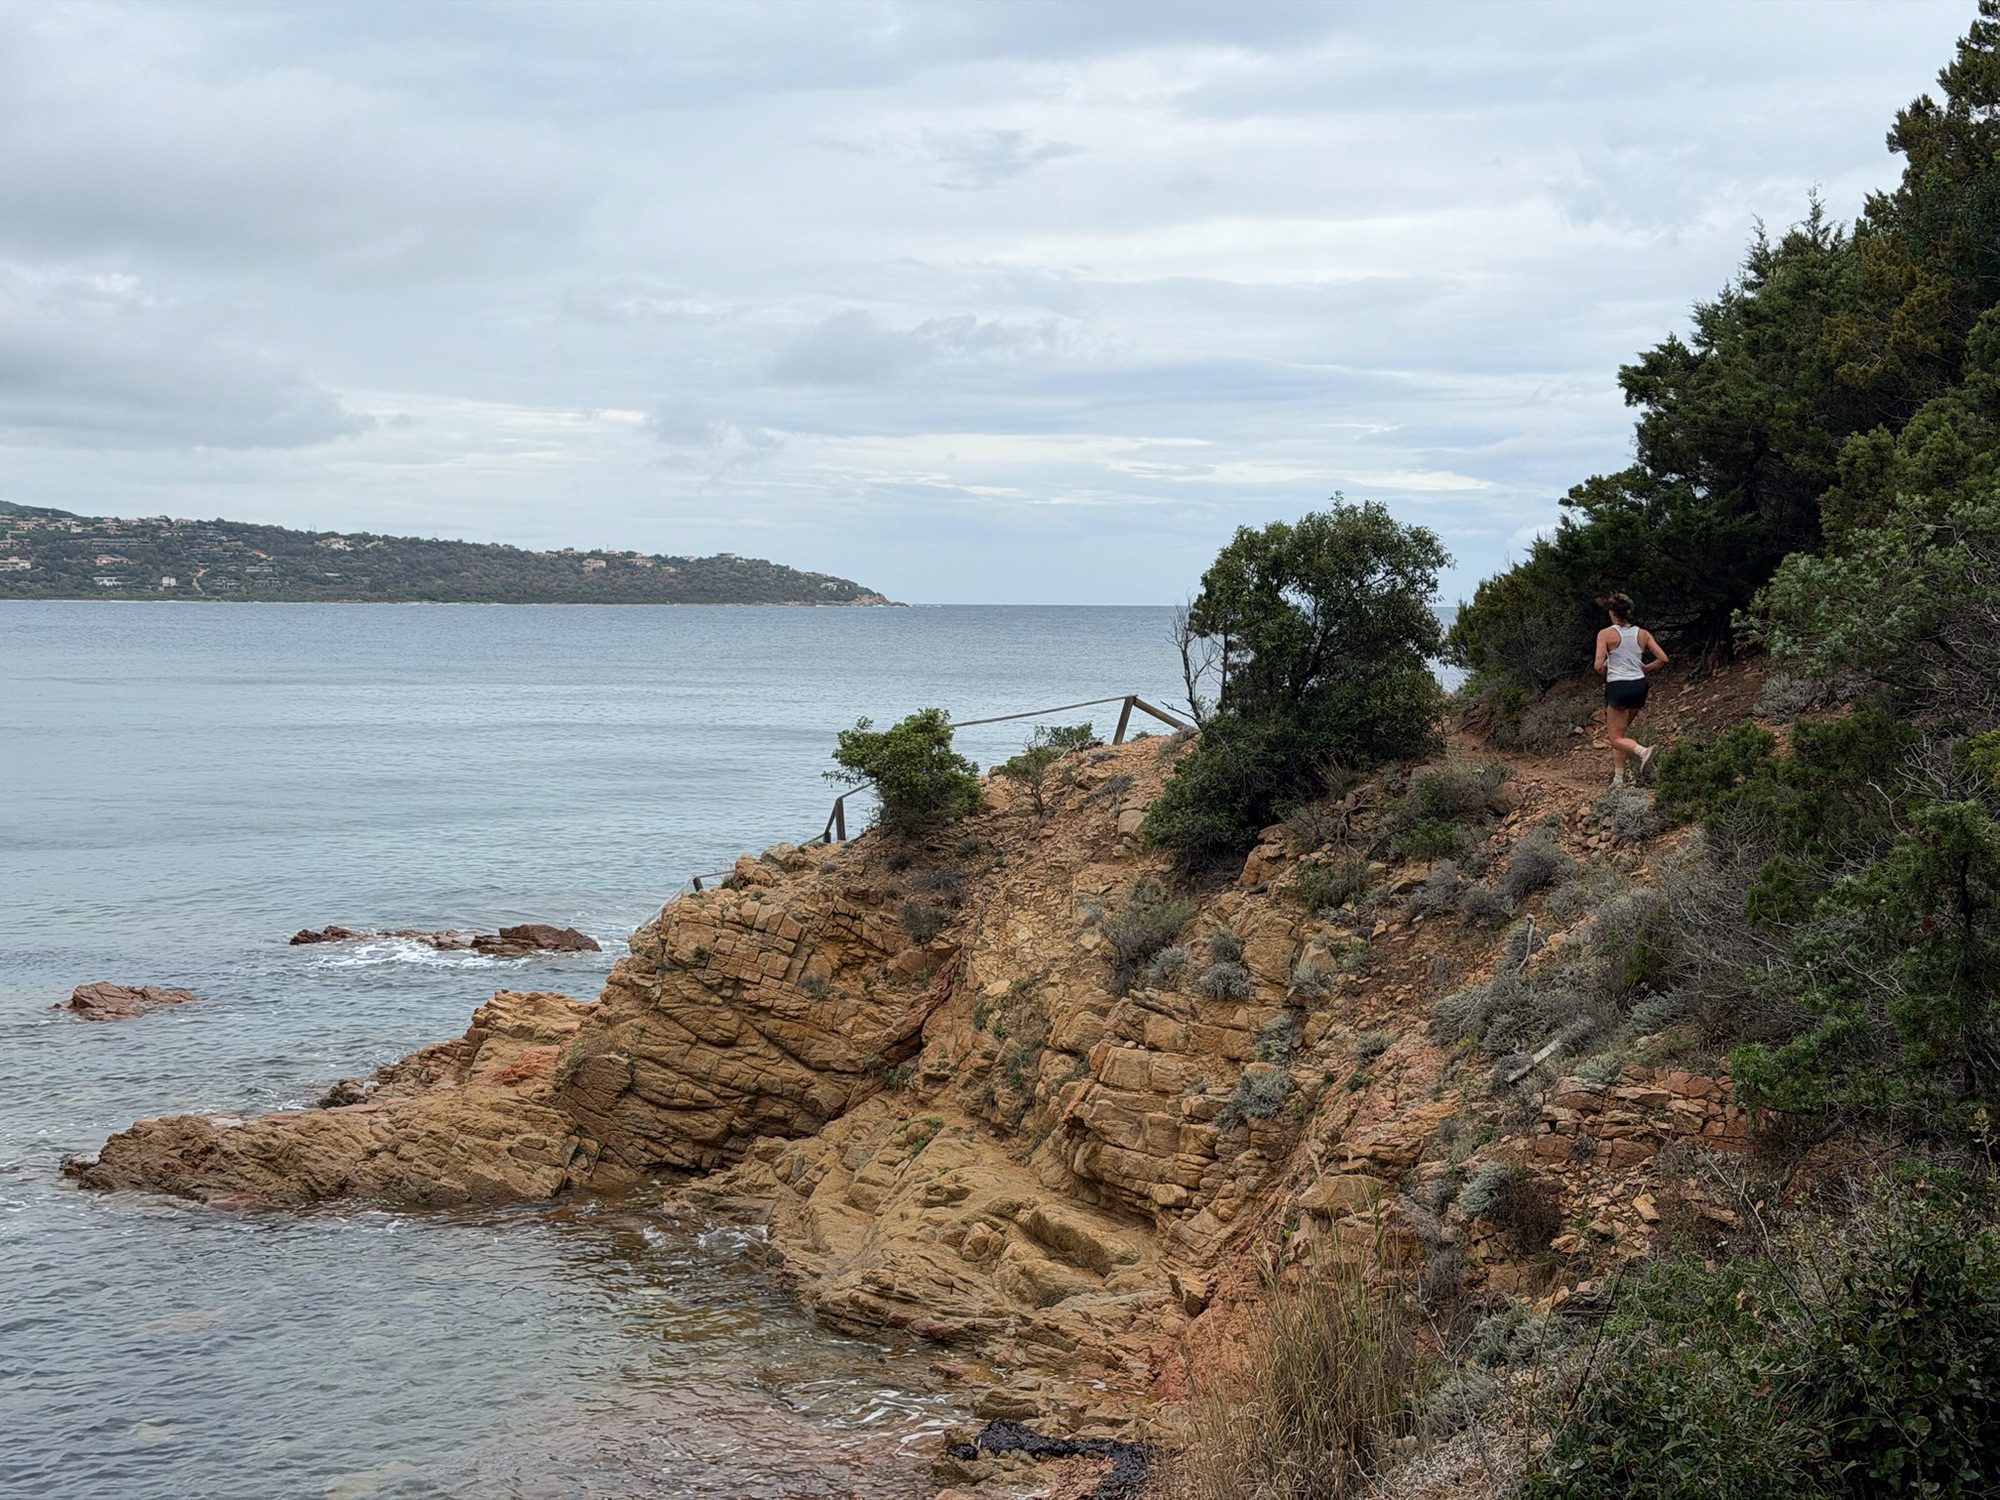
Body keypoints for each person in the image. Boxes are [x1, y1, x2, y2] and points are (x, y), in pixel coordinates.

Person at [1593, 593, 1667, 787]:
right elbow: (1663, 658)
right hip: (1639, 686)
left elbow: (1598, 666)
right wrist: (1646, 668)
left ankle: (1644, 752)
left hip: (1619, 686)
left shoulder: (1605, 634)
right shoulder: (1642, 633)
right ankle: (1619, 778)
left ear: (1612, 613)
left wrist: (1609, 671)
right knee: (1621, 733)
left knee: (1615, 738)